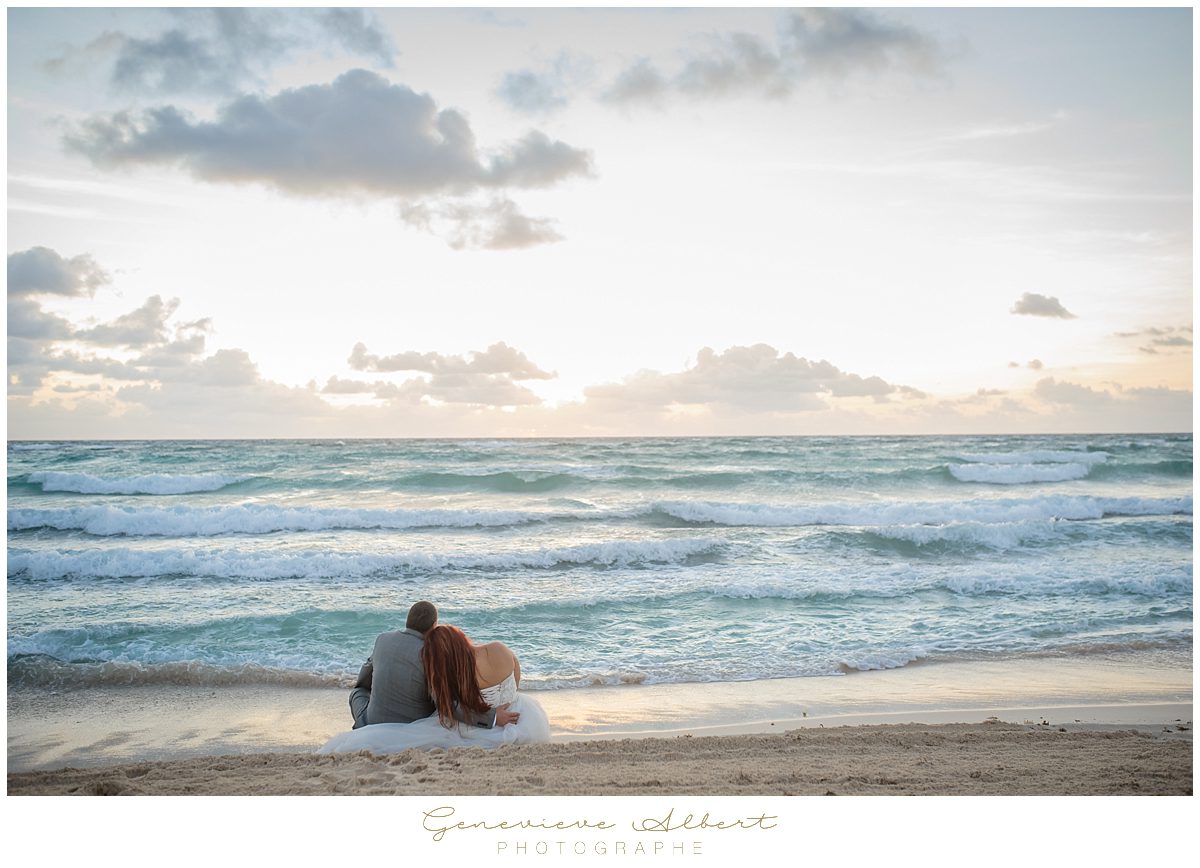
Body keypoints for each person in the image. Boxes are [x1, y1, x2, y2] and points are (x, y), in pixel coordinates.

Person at [318, 617, 550, 755]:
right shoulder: (500, 649)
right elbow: (516, 681)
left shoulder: (456, 675)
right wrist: (502, 709)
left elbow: (454, 708)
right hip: (523, 718)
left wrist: (492, 717)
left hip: (483, 726)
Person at [346, 600, 517, 731]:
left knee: (358, 692)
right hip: (410, 728)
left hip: (370, 722)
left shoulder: (382, 640)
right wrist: (493, 717)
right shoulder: (430, 655)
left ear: (408, 621)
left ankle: (361, 727)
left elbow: (363, 682)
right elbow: (447, 704)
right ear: (434, 626)